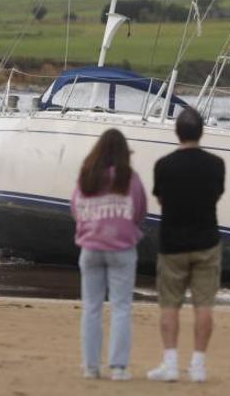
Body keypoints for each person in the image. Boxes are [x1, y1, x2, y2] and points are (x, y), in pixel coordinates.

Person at [147, 107, 225, 383]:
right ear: (202, 132)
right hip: (206, 241)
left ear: (177, 132)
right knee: (204, 305)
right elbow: (216, 196)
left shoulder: (164, 165)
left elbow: (161, 199)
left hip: (172, 243)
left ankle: (170, 362)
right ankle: (198, 365)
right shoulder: (216, 164)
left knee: (170, 304)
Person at [70, 129, 147, 381]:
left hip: (91, 248)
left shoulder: (86, 178)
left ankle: (91, 367)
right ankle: (118, 368)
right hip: (122, 249)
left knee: (91, 308)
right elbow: (140, 211)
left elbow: (75, 209)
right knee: (121, 307)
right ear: (125, 153)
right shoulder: (129, 178)